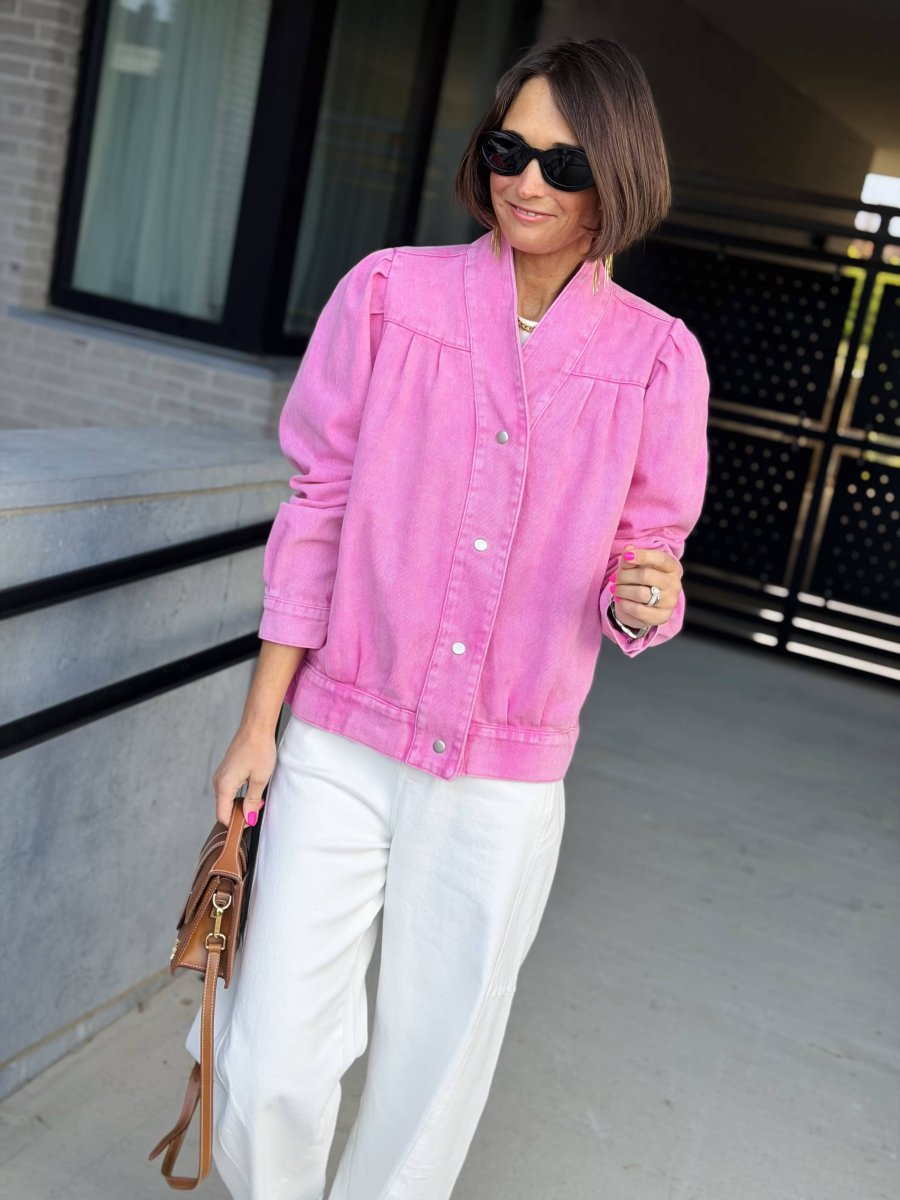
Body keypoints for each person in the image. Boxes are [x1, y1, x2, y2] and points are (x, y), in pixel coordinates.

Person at [183, 35, 710, 1200]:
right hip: (338, 738)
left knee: (430, 1081)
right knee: (267, 1059)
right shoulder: (386, 295)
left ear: (618, 177)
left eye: (566, 164)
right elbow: (317, 507)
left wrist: (648, 593)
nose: (529, 181)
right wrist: (260, 725)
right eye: (510, 150)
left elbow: (650, 558)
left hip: (500, 780)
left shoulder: (658, 363)